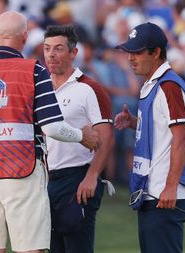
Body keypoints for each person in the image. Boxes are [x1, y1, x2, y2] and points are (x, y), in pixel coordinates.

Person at [0, 11, 100, 253]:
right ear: (25, 38)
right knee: (29, 249)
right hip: (21, 173)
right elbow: (52, 128)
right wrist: (83, 136)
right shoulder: (34, 71)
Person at [115, 22, 185, 253]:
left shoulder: (169, 86)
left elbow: (181, 138)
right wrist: (133, 122)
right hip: (152, 193)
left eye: (137, 52)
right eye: (129, 52)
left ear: (156, 52)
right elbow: (163, 130)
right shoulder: (152, 85)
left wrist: (171, 187)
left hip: (165, 195)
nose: (131, 58)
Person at [43, 25, 114, 253]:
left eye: (58, 49)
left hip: (77, 177)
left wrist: (92, 176)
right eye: (47, 49)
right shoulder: (41, 89)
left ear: (73, 53)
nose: (51, 55)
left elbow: (106, 137)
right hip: (46, 179)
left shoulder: (89, 89)